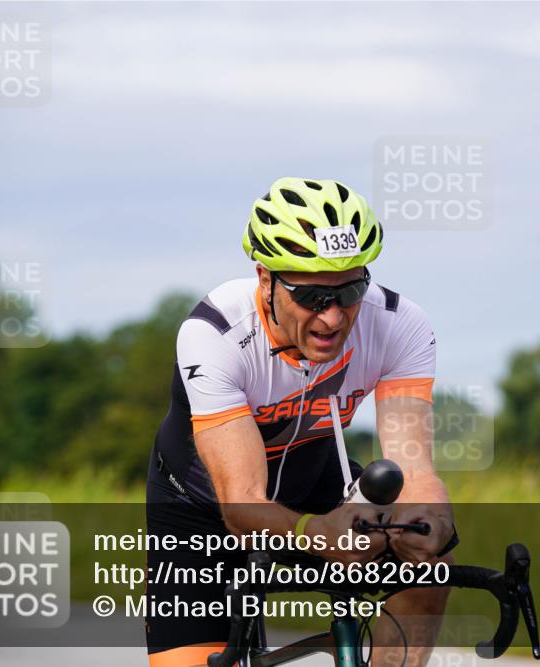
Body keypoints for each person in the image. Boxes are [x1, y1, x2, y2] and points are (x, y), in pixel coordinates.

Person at [146, 177, 456, 666]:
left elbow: (413, 470)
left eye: (351, 290)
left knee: (427, 562)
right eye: (311, 296)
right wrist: (316, 532)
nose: (333, 318)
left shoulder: (400, 323)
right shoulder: (215, 333)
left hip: (315, 475)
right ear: (266, 280)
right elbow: (242, 506)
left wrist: (432, 518)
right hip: (201, 504)